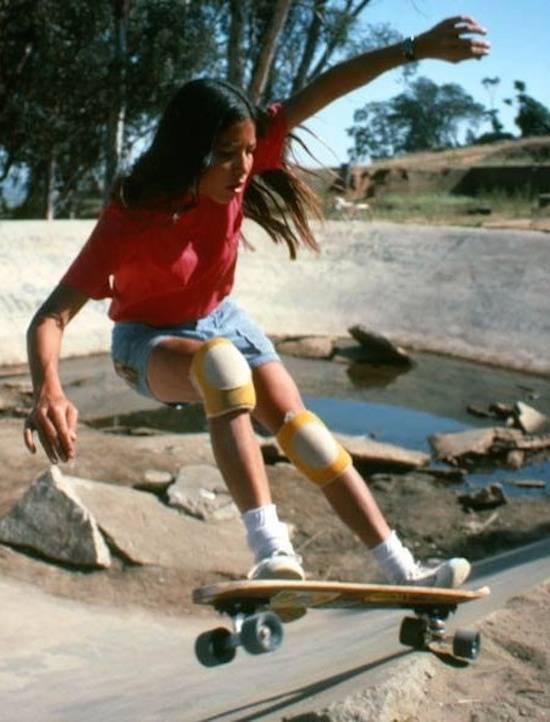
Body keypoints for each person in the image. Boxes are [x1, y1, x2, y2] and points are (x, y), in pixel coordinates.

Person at [24, 16, 490, 586]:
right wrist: (48, 387)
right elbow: (51, 315)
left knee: (305, 433)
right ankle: (271, 551)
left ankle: (403, 569)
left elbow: (323, 91)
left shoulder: (242, 170)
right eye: (226, 154)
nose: (244, 167)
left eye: (249, 151)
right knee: (220, 369)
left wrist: (414, 48)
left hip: (224, 320)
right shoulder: (132, 216)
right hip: (147, 343)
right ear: (189, 152)